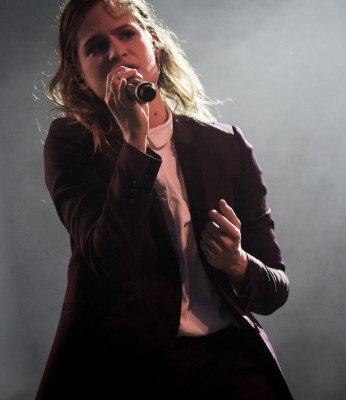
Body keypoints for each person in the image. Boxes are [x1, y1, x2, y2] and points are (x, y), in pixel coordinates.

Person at [36, 0, 292, 399]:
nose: (116, 51)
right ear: (80, 75)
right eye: (96, 47)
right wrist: (134, 141)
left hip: (226, 357)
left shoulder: (224, 145)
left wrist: (238, 264)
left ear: (154, 45)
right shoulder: (71, 144)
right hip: (126, 365)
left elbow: (276, 288)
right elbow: (108, 259)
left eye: (126, 34)